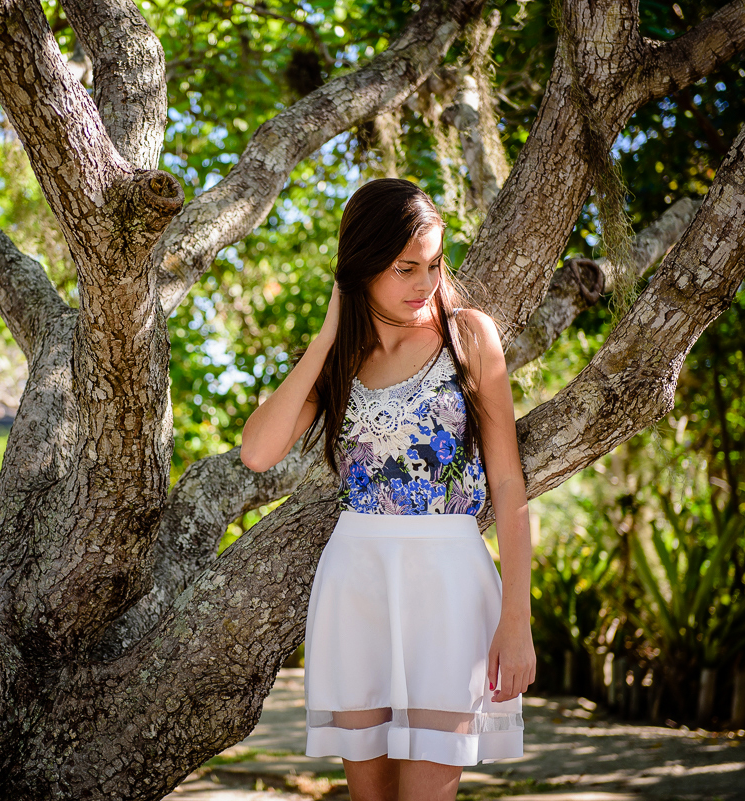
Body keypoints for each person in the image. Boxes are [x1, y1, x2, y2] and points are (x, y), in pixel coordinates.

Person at [240, 178, 534, 801]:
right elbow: (258, 452)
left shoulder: (469, 339)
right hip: (359, 587)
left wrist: (517, 617)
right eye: (405, 268)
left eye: (432, 265)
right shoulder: (341, 355)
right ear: (364, 264)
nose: (424, 283)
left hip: (450, 588)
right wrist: (325, 337)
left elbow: (508, 483)